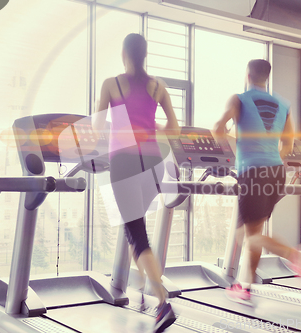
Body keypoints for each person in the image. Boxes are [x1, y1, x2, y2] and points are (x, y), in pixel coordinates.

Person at [94, 33, 180, 332]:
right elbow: (174, 127)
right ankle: (142, 285)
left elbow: (96, 127)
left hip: (125, 163)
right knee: (135, 227)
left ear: (123, 54)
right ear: (146, 55)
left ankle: (162, 301)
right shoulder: (158, 86)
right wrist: (153, 126)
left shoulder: (111, 84)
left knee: (137, 234)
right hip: (153, 163)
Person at [214, 59, 301, 306]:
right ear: (266, 77)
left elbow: (218, 128)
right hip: (276, 172)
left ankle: (297, 257)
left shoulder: (238, 99)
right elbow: (288, 144)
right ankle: (245, 286)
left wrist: (235, 153)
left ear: (248, 74)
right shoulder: (284, 104)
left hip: (253, 172)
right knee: (252, 232)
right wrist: (271, 159)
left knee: (248, 236)